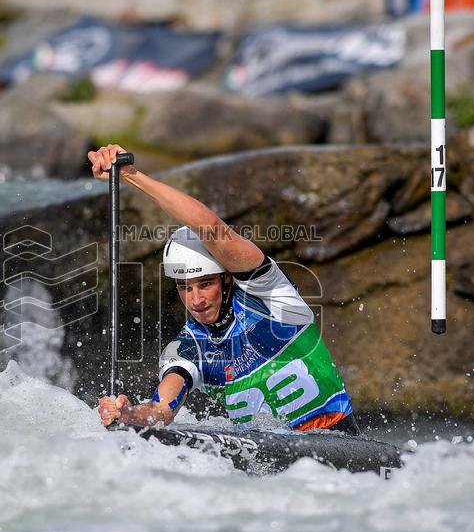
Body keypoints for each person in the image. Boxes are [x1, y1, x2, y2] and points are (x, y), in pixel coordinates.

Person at [88, 145, 360, 436]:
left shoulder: (269, 294)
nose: (196, 300)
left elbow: (210, 226)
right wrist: (129, 414)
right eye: (185, 288)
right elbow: (162, 411)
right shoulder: (187, 348)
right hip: (271, 471)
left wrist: (132, 176)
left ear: (227, 278)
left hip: (338, 445)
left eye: (205, 283)